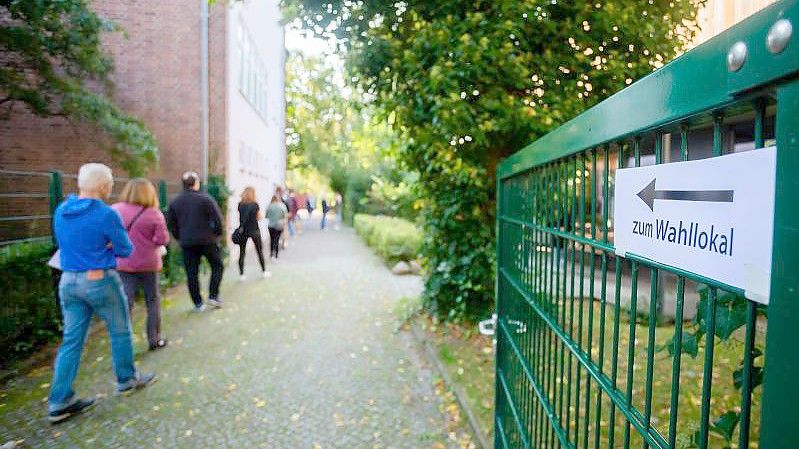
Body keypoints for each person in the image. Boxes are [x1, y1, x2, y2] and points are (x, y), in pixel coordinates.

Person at [48, 163, 156, 424]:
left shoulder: (61, 210)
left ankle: (59, 401)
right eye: (110, 183)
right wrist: (106, 246)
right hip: (99, 281)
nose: (111, 187)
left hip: (68, 282)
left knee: (71, 341)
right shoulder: (106, 214)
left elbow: (65, 243)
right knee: (119, 330)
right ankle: (126, 379)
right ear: (103, 186)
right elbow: (125, 249)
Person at [112, 178, 170, 351]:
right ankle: (154, 338)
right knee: (152, 300)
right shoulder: (154, 213)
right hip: (148, 264)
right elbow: (162, 239)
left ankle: (124, 342)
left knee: (125, 302)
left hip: (123, 262)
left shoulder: (115, 210)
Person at [167, 171, 225, 311]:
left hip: (187, 242)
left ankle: (198, 303)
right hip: (207, 240)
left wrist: (179, 237)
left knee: (191, 272)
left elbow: (171, 224)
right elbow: (218, 220)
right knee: (217, 265)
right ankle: (213, 295)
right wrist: (216, 234)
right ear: (196, 183)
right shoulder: (205, 199)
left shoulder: (175, 201)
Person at [237, 186, 268, 280]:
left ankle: (241, 274)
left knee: (242, 253)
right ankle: (264, 271)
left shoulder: (240, 204)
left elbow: (241, 217)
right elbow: (259, 217)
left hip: (243, 231)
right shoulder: (255, 205)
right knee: (259, 251)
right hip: (254, 230)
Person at [266, 194, 288, 260]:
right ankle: (276, 255)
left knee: (272, 240)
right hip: (279, 225)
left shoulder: (269, 206)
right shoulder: (282, 206)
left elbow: (266, 216)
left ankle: (271, 254)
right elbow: (285, 215)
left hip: (271, 225)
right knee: (277, 240)